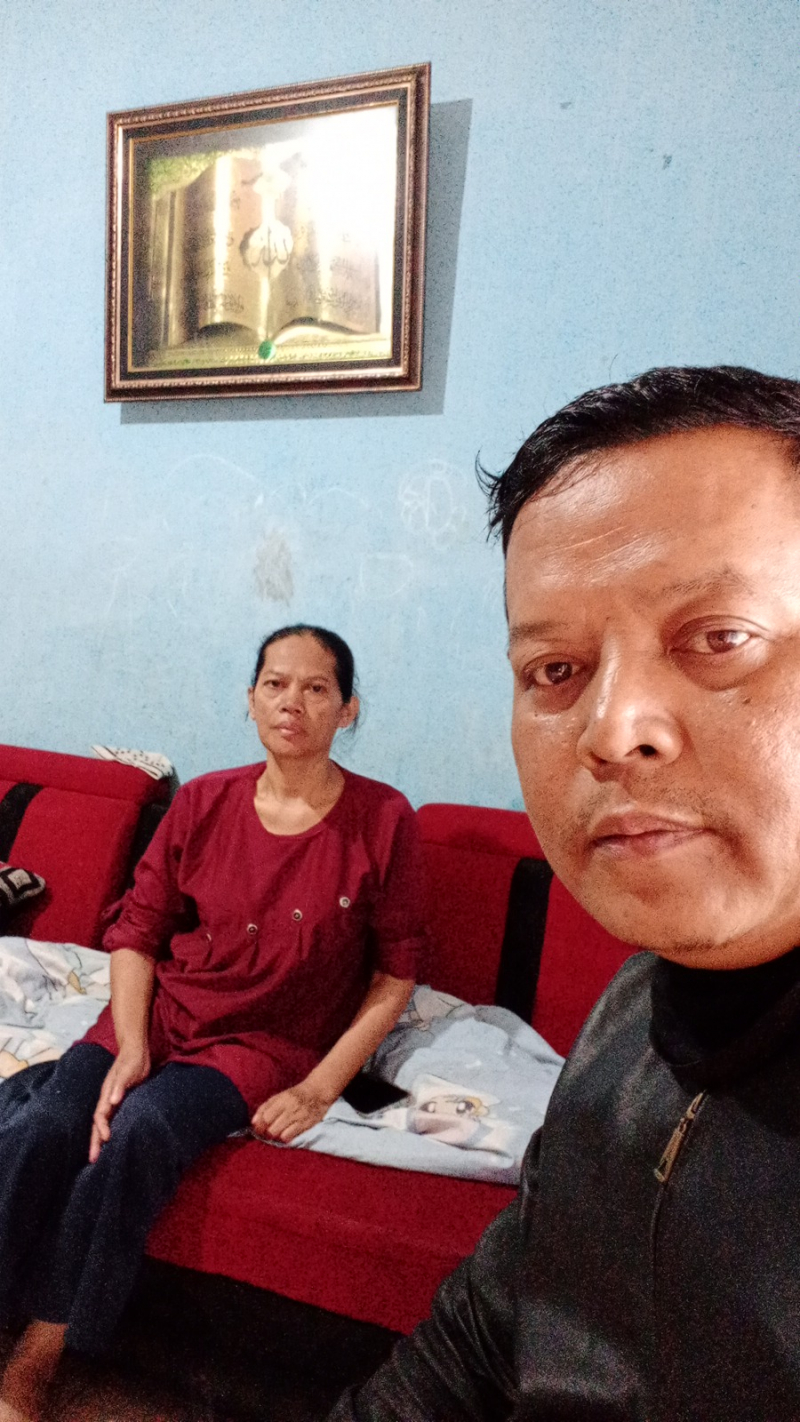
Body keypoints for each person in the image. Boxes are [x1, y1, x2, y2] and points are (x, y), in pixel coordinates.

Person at [328, 366, 800, 1422]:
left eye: (718, 638)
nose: (612, 728)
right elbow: (482, 1335)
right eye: (554, 670)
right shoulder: (630, 1014)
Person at [0, 624, 428, 1422]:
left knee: (142, 1130)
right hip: (167, 1008)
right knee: (51, 1121)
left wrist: (319, 1087)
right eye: (275, 684)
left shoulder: (383, 818)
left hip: (263, 1039)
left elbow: (395, 973)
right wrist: (132, 1046)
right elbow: (136, 935)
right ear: (249, 699)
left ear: (348, 709)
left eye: (316, 688)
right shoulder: (203, 800)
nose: (292, 702)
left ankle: (41, 1353)